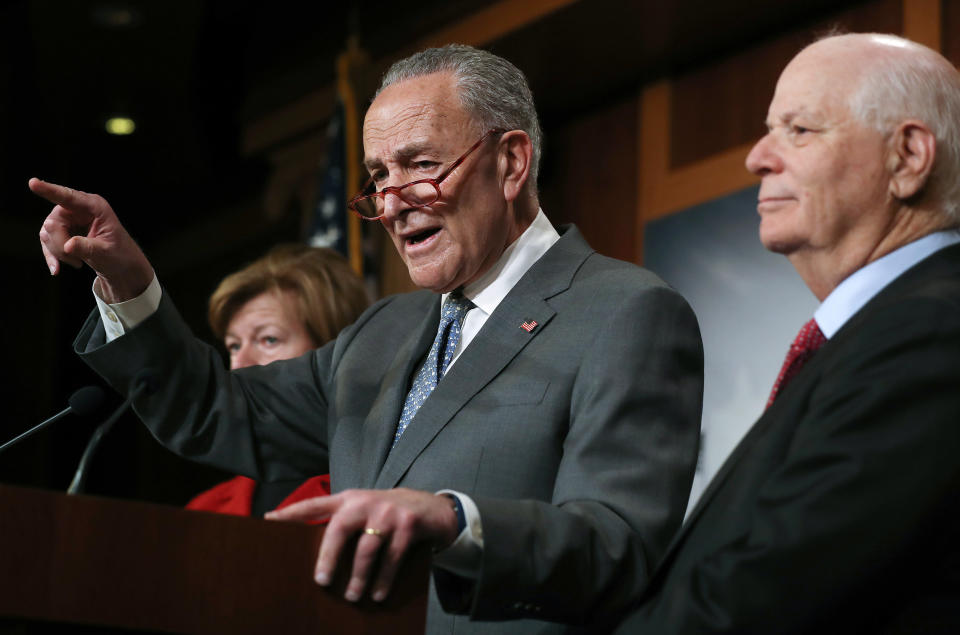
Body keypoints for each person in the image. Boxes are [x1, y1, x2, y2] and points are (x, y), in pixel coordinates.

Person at [34, 44, 704, 633]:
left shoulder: (624, 312)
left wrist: (456, 520)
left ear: (511, 162)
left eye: (417, 166)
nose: (389, 204)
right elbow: (216, 411)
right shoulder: (382, 332)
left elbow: (618, 546)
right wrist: (127, 281)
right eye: (379, 176)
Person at [614, 33, 960, 633]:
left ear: (907, 158)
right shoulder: (881, 331)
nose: (757, 157)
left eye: (799, 130)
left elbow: (766, 596)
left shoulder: (932, 328)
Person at [185, 244, 369, 517]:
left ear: (331, 351)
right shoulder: (203, 511)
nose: (238, 365)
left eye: (268, 339)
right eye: (234, 346)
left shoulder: (377, 493)